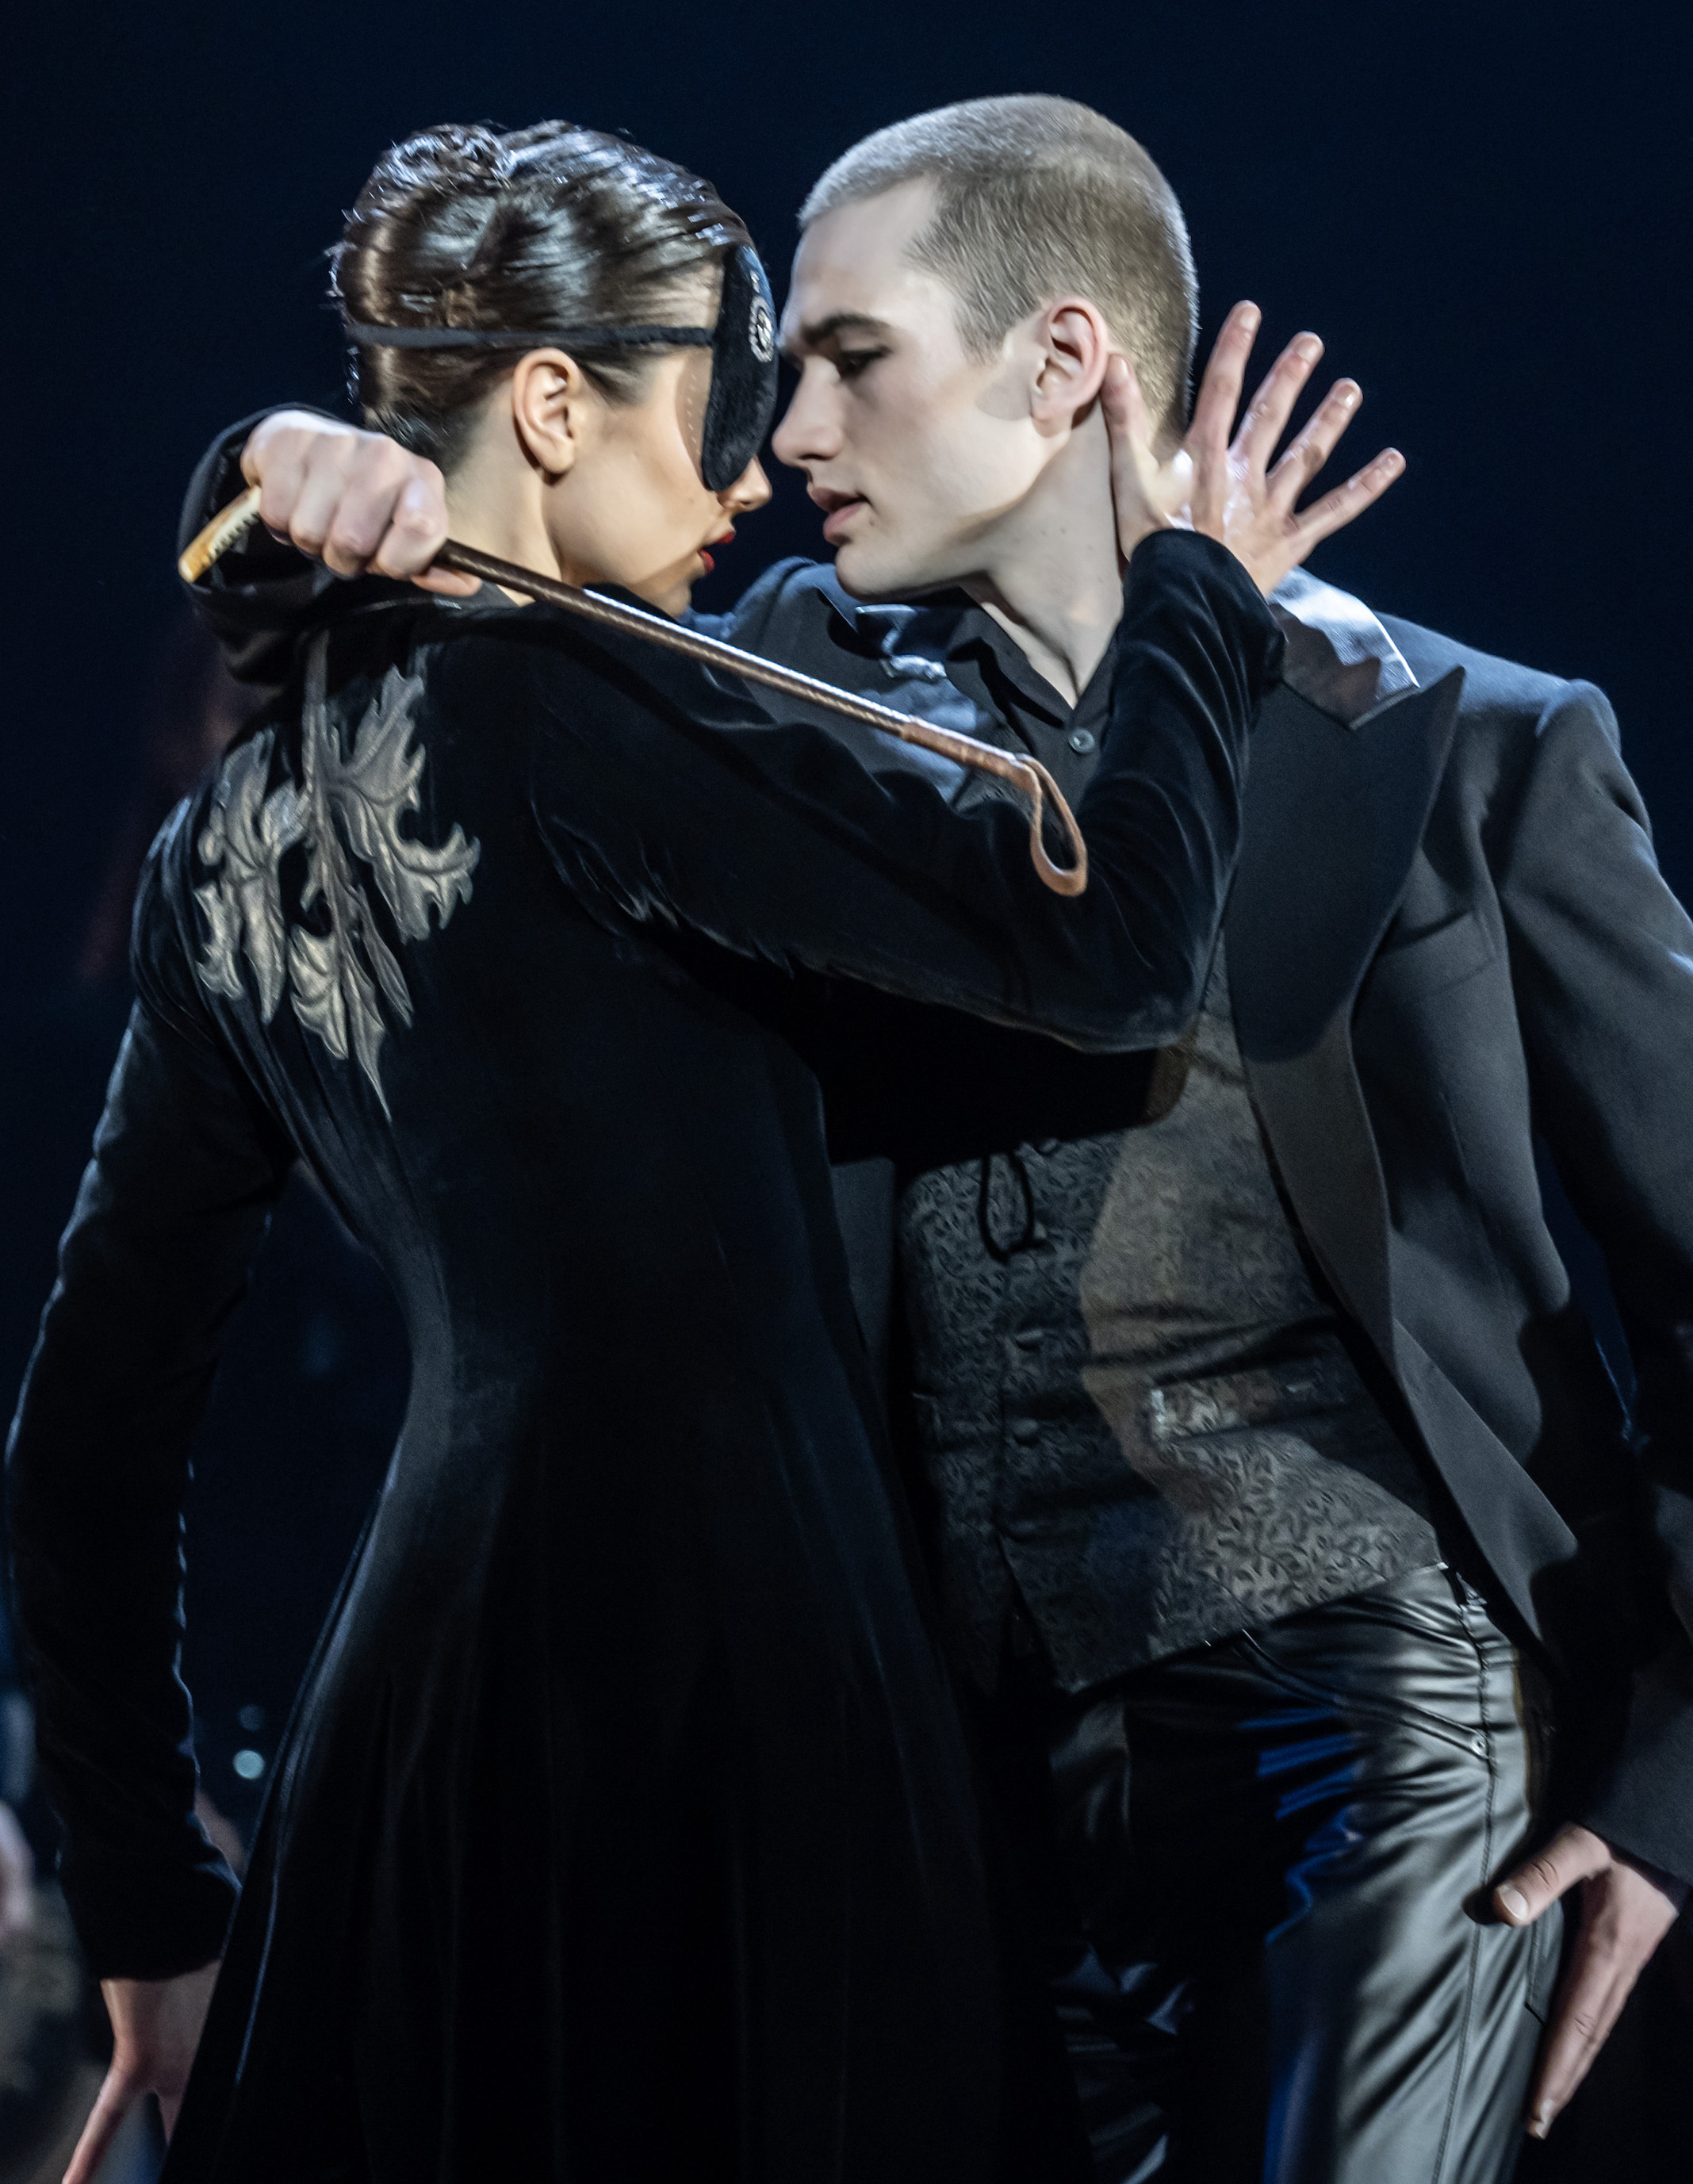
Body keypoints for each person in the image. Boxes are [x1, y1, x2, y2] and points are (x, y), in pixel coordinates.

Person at [190, 95, 1693, 2183]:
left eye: (841, 360)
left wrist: (1673, 1774)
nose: (777, 438)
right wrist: (279, 469)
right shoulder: (773, 708)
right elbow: (464, 629)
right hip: (943, 1787)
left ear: (1062, 361)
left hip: (1368, 1725)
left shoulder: (1484, 746)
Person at [2, 116, 1377, 2184]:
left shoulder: (222, 849)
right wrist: (1198, 588)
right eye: (717, 404)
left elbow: (80, 1439)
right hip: (737, 1681)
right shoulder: (581, 710)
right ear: (552, 405)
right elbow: (1103, 951)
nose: (753, 471)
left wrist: (146, 1907)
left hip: (410, 1735)